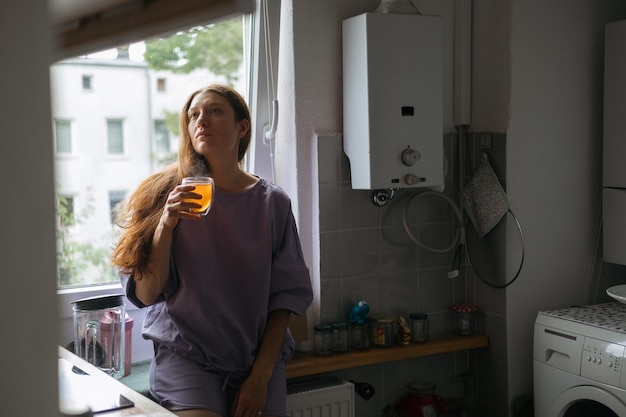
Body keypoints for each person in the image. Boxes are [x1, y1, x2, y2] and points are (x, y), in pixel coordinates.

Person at [111, 84, 313, 417]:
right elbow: (146, 294)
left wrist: (260, 376)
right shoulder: (165, 195)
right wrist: (166, 224)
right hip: (187, 357)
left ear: (242, 127)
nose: (201, 120)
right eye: (193, 115)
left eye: (215, 111)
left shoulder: (272, 203)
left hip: (257, 359)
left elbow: (286, 299)